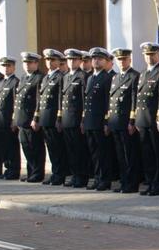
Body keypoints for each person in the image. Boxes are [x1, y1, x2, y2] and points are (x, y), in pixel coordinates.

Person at [134, 42, 159, 196]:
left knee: (157, 153)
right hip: (142, 119)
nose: (149, 57)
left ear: (158, 55)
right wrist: (135, 118)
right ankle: (150, 182)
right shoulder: (142, 74)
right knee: (146, 153)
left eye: (152, 54)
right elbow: (138, 98)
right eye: (147, 55)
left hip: (153, 119)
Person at [108, 47, 141, 193]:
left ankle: (132, 183)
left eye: (124, 59)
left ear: (129, 59)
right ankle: (124, 181)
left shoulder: (134, 76)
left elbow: (134, 100)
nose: (121, 62)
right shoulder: (115, 78)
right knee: (120, 155)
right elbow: (111, 101)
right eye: (119, 59)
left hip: (126, 122)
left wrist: (132, 121)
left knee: (130, 155)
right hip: (115, 121)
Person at [83, 48, 116, 191]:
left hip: (100, 121)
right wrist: (83, 120)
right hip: (90, 121)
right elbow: (86, 101)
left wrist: (106, 121)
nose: (96, 61)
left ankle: (104, 179)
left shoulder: (107, 78)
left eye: (99, 59)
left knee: (103, 153)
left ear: (105, 61)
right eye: (94, 58)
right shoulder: (90, 78)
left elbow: (108, 102)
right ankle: (97, 178)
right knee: (94, 152)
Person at [35, 49, 69, 185]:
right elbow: (40, 99)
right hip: (45, 118)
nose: (49, 62)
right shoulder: (46, 77)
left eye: (52, 60)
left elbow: (61, 99)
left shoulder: (60, 77)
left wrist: (59, 118)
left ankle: (60, 174)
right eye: (48, 60)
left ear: (58, 62)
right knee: (51, 148)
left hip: (54, 118)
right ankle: (55, 173)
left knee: (58, 148)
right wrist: (37, 117)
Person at [60, 49, 91, 188]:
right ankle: (74, 175)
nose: (71, 62)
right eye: (69, 59)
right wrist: (59, 118)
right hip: (66, 118)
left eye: (74, 59)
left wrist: (83, 119)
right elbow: (62, 99)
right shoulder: (65, 76)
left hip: (77, 118)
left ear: (79, 61)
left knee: (79, 150)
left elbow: (85, 100)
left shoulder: (82, 76)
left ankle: (82, 176)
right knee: (70, 150)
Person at [14, 52, 46, 183]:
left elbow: (39, 100)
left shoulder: (39, 78)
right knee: (26, 147)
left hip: (32, 119)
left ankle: (38, 173)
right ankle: (31, 171)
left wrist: (36, 118)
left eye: (30, 63)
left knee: (36, 148)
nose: (27, 65)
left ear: (36, 63)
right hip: (22, 119)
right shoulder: (23, 78)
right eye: (25, 63)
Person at [0, 56, 21, 180]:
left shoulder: (15, 82)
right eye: (4, 66)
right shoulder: (2, 82)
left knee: (11, 147)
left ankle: (14, 170)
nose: (6, 68)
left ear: (13, 67)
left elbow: (16, 103)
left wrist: (14, 120)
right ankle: (7, 168)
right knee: (3, 147)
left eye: (8, 66)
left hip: (8, 120)